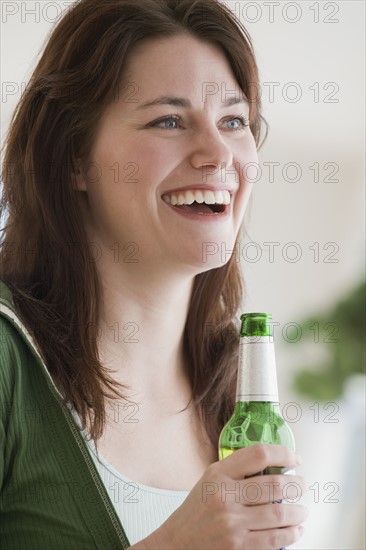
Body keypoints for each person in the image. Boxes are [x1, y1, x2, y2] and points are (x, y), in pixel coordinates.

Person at [0, 0, 308, 548]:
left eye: (233, 121)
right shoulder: (9, 363)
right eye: (169, 120)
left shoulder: (238, 389)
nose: (218, 155)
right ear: (73, 157)